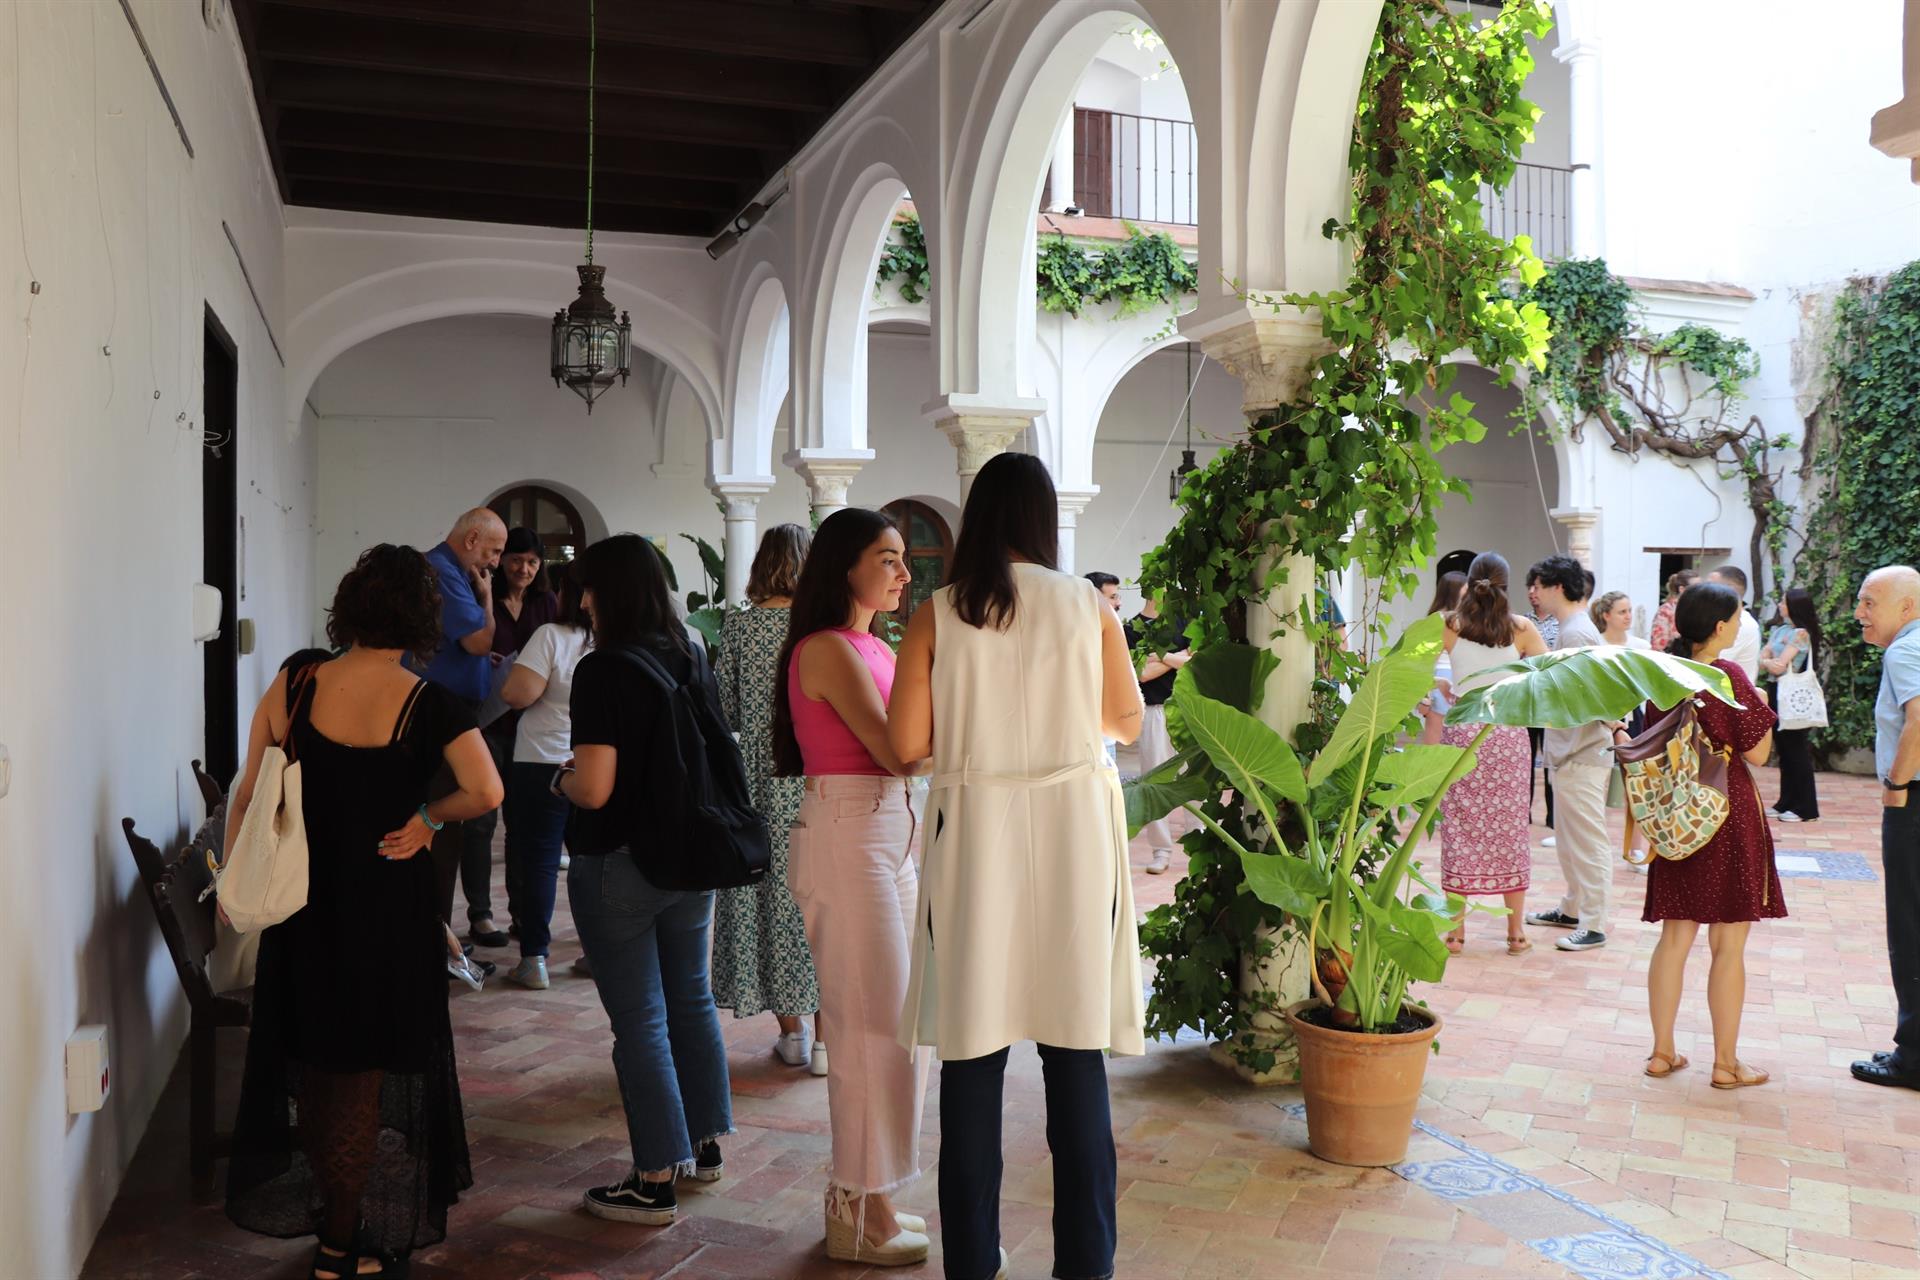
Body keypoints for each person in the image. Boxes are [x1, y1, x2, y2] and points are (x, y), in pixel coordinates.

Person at [889, 452, 1146, 1280]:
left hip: (975, 836)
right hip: (1073, 830)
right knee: (1075, 1055)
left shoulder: (939, 610)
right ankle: (1087, 1266)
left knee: (972, 1054)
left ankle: (970, 1264)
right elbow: (1127, 723)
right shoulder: (1087, 605)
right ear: (1042, 519)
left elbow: (905, 745)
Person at [225, 545, 503, 1278]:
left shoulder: (299, 677)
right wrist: (429, 821)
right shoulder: (429, 701)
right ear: (421, 617)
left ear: (348, 605)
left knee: (319, 1064)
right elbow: (486, 791)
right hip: (387, 905)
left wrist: (235, 885)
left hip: (305, 908)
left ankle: (334, 1217)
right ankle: (342, 1240)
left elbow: (250, 791)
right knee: (368, 1071)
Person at [558, 535, 735, 1224]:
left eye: (588, 587)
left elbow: (595, 788)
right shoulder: (689, 651)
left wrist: (557, 780)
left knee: (640, 1022)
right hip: (692, 857)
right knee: (690, 1002)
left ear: (609, 592)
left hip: (621, 863)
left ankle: (654, 1178)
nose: (582, 600)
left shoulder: (604, 670)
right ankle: (704, 1145)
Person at [770, 509, 930, 1266]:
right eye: (888, 558)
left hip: (889, 832)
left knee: (898, 1022)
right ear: (845, 566)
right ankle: (855, 1209)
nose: (903, 572)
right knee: (867, 1028)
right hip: (849, 832)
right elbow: (897, 751)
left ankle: (876, 1197)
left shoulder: (874, 643)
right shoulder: (826, 648)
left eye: (903, 559)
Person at [1642, 581, 1784, 1090]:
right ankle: (1725, 1063)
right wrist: (1763, 701)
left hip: (1677, 813)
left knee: (1674, 938)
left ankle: (1662, 1053)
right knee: (1729, 945)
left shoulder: (1661, 673)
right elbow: (1760, 754)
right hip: (1726, 813)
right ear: (1720, 626)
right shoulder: (1727, 675)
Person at [714, 524, 827, 1076]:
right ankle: (829, 1040)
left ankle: (794, 1034)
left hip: (761, 785)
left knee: (771, 904)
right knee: (820, 902)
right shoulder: (821, 630)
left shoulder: (740, 627)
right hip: (815, 782)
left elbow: (725, 714)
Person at [1439, 555, 1548, 954]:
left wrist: (1443, 683)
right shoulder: (1521, 628)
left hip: (1463, 731)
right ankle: (1516, 933)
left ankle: (1456, 932)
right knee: (1510, 828)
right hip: (1505, 734)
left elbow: (1415, 667)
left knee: (1459, 826)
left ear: (1470, 582)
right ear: (1507, 584)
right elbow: (1548, 675)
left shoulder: (1450, 625)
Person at [496, 564, 591, 990]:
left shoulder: (551, 637)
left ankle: (534, 959)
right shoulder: (613, 641)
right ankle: (596, 950)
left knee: (539, 860)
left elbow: (517, 694)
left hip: (542, 760)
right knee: (592, 860)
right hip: (595, 763)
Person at [417, 508, 508, 938]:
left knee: (452, 831)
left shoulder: (453, 570)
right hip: (443, 720)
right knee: (443, 831)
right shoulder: (443, 570)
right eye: (492, 551)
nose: (493, 564)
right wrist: (488, 600)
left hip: (457, 710)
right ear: (472, 539)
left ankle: (442, 937)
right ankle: (437, 938)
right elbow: (478, 640)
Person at [1850, 566, 1920, 1091]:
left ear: (1907, 606)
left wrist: (1897, 784)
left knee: (1910, 925)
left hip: (1914, 800)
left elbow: (1918, 719)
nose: (1860, 614)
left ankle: (1913, 1056)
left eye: (1870, 603)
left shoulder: (1903, 651)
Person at [1524, 554, 1615, 952]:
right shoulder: (1573, 629)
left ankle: (1593, 923)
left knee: (1588, 841)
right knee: (1570, 841)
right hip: (1570, 754)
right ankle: (1573, 908)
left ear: (1558, 587)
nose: (1533, 593)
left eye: (1538, 585)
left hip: (1582, 753)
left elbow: (1587, 699)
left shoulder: (1577, 634)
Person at [1125, 595, 1189, 874]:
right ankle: (1161, 850)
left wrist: (1158, 655)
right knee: (1154, 779)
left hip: (1186, 709)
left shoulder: (1183, 624)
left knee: (1192, 776)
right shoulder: (1132, 629)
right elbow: (1140, 673)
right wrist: (1177, 657)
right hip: (1153, 710)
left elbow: (1194, 661)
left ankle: (1197, 839)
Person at [1760, 586, 1822, 823]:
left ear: (1794, 607)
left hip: (1792, 692)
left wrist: (1767, 660)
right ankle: (1786, 801)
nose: (1779, 605)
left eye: (1784, 602)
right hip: (1778, 690)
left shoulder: (1800, 634)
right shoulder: (1780, 630)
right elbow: (1767, 659)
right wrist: (1768, 660)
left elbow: (1778, 665)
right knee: (1785, 750)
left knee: (1796, 750)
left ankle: (1806, 807)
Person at [1524, 564, 1557, 836]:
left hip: (1551, 699)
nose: (1533, 593)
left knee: (1550, 757)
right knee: (1526, 756)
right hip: (1527, 697)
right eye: (1530, 588)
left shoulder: (1561, 622)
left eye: (1538, 588)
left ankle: (1553, 815)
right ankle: (1523, 812)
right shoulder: (1522, 622)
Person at [1422, 571, 1467, 747]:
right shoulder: (1442, 620)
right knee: (1437, 735)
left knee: (1439, 736)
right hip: (1442, 677)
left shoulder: (1441, 618)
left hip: (1449, 678)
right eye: (1465, 591)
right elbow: (1428, 658)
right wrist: (1425, 695)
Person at [1708, 564, 1763, 682]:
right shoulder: (1725, 619)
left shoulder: (1742, 624)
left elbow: (1711, 666)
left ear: (1729, 590)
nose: (1705, 591)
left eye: (1711, 586)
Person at [1649, 569, 1697, 653]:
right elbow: (1658, 645)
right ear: (1682, 589)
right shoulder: (1666, 610)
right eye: (1696, 587)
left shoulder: (1699, 609)